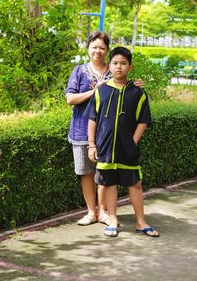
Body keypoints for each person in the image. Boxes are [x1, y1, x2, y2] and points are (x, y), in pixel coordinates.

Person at [65, 33, 144, 226]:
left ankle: (103, 212)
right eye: (94, 47)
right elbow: (70, 99)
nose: (97, 51)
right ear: (88, 48)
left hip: (108, 134)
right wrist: (96, 90)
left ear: (106, 51)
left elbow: (125, 89)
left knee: (104, 173)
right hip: (81, 129)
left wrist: (139, 84)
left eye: (101, 48)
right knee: (86, 173)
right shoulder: (79, 71)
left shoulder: (115, 68)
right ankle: (91, 212)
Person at [85, 46, 159, 237]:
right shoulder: (101, 91)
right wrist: (92, 144)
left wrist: (133, 141)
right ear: (109, 66)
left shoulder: (138, 93)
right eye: (115, 63)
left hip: (128, 149)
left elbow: (143, 120)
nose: (119, 67)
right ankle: (113, 219)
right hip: (105, 148)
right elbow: (92, 119)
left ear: (130, 67)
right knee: (109, 183)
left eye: (123, 63)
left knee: (135, 184)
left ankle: (141, 222)